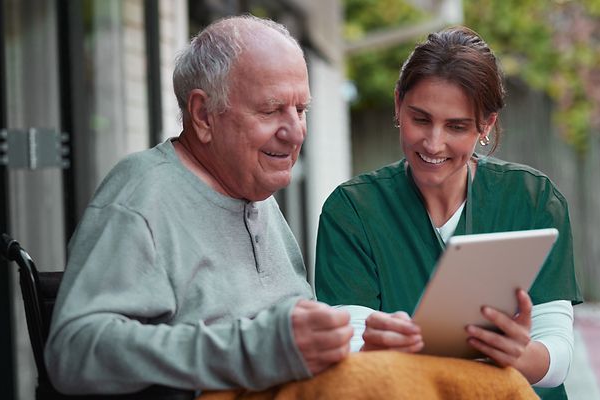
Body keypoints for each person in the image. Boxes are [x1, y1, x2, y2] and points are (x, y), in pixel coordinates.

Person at [45, 15, 353, 395]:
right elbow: (74, 351)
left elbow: (283, 334)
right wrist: (251, 351)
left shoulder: (253, 190)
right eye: (271, 110)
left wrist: (353, 337)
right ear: (204, 115)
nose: (295, 133)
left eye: (301, 109)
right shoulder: (142, 196)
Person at [315, 26, 582, 400]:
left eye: (456, 126)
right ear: (397, 104)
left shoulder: (532, 200)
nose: (433, 143)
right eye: (420, 119)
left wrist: (521, 355)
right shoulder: (353, 211)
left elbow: (558, 357)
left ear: (485, 126)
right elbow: (351, 354)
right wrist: (374, 348)